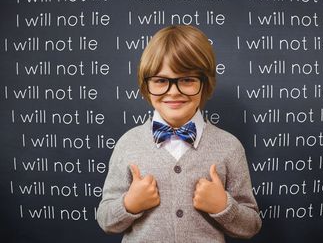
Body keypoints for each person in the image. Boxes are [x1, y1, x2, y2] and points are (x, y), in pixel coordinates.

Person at [97, 25, 262, 242]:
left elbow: (251, 225)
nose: (173, 91)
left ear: (205, 83)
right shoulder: (128, 144)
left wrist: (223, 206)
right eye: (161, 80)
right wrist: (129, 204)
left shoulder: (229, 147)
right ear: (146, 85)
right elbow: (105, 219)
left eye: (187, 80)